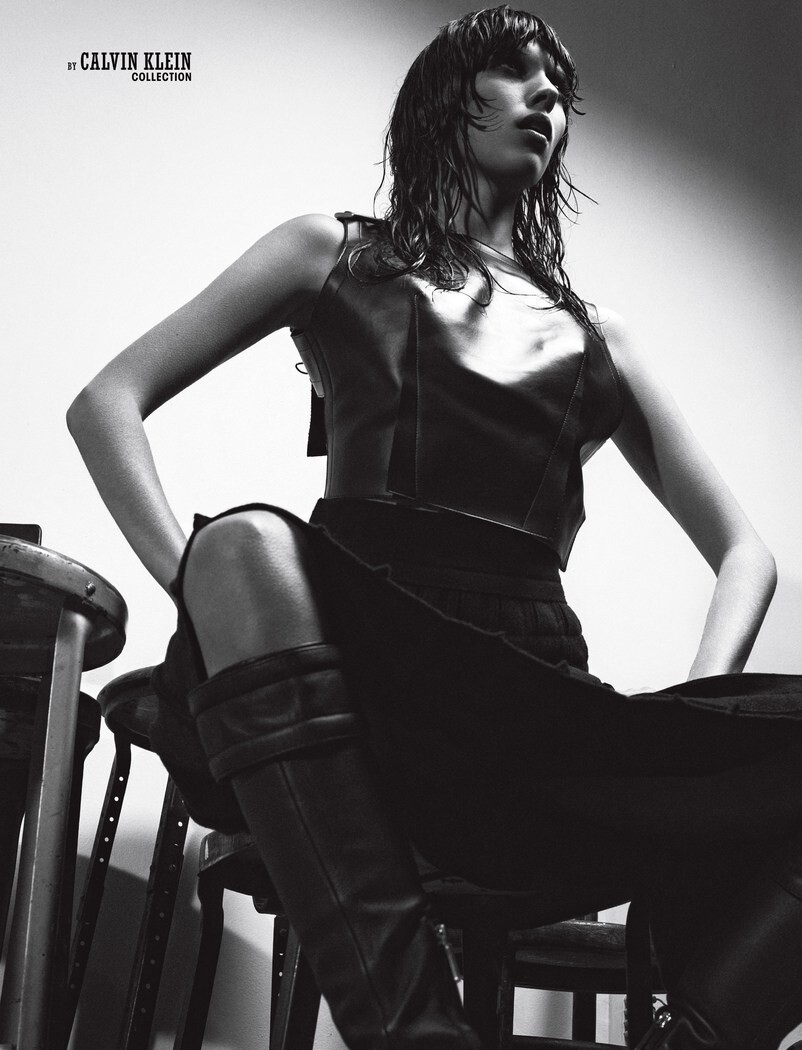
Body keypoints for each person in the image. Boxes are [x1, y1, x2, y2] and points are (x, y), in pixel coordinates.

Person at [67, 6, 802, 1049]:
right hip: (357, 672)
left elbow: (745, 555)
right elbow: (106, 403)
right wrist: (207, 593)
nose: (545, 98)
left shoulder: (599, 337)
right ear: (446, 101)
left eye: (559, 89)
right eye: (513, 71)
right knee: (242, 544)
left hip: (524, 700)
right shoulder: (330, 251)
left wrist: (690, 710)